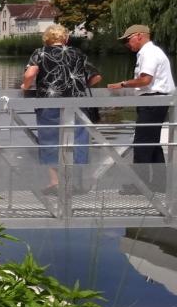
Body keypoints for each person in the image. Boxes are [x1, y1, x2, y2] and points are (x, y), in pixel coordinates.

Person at [21, 26, 100, 195]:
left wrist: (25, 87)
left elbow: (30, 74)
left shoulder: (40, 53)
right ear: (65, 39)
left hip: (49, 104)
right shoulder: (77, 53)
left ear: (47, 39)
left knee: (50, 140)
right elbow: (96, 76)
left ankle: (56, 183)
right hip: (77, 104)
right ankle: (72, 183)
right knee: (77, 140)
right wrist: (78, 85)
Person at [108, 25, 175, 193]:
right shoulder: (149, 52)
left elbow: (145, 80)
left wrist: (122, 84)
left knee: (142, 144)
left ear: (139, 36)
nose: (126, 44)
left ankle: (140, 186)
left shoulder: (149, 53)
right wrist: (126, 98)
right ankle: (159, 184)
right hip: (155, 101)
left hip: (153, 102)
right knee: (152, 144)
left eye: (127, 40)